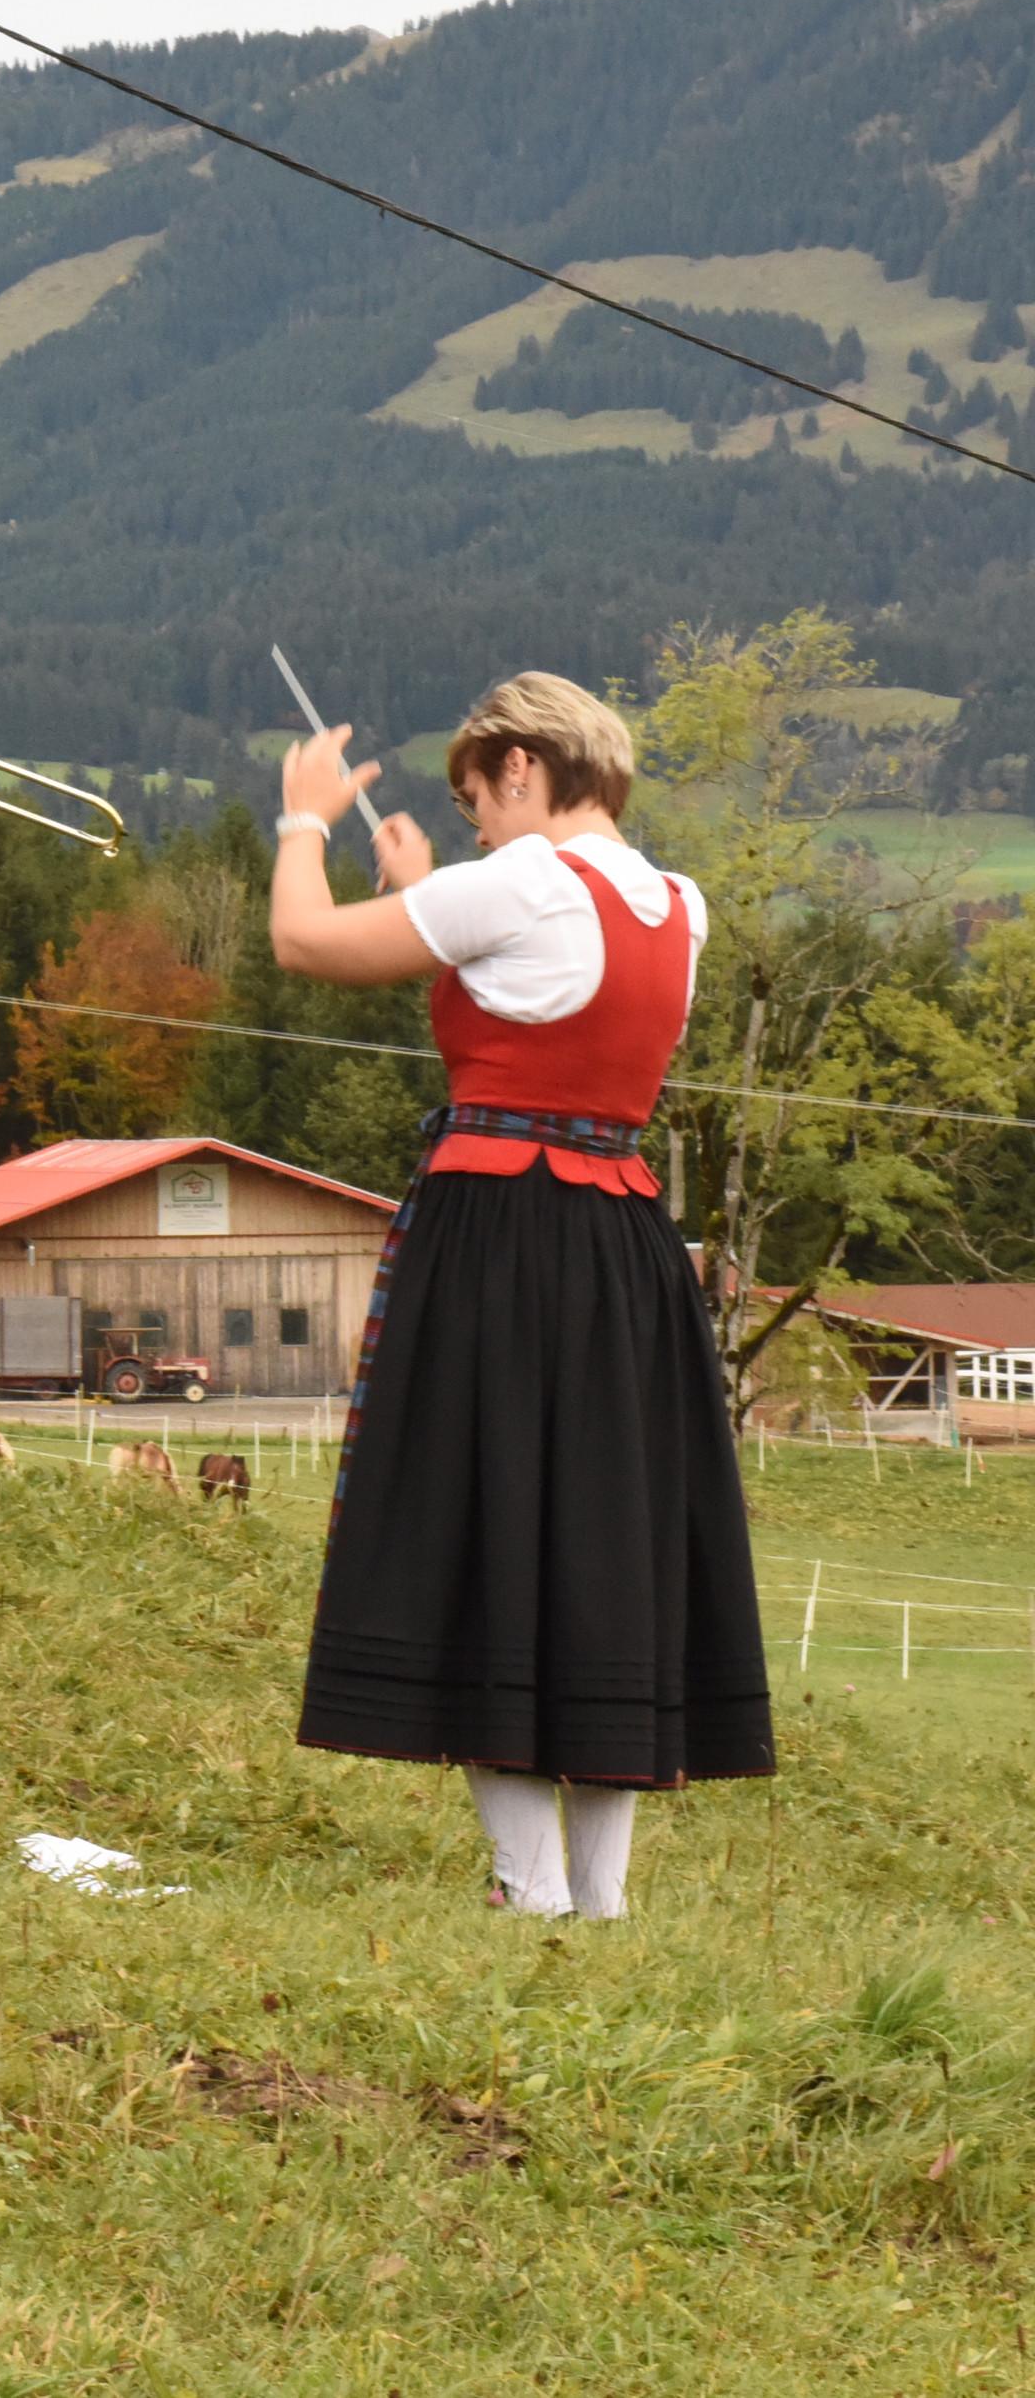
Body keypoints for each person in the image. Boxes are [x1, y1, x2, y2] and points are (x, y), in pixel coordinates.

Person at [273, 672, 772, 1919]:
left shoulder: (523, 878)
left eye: (473, 799)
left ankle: (527, 1886)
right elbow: (541, 997)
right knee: (606, 1550)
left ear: (521, 767)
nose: (472, 825)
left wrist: (301, 819)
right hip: (619, 1244)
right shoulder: (678, 905)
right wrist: (422, 890)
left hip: (499, 1230)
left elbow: (300, 944)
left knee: (484, 1526)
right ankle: (595, 1901)